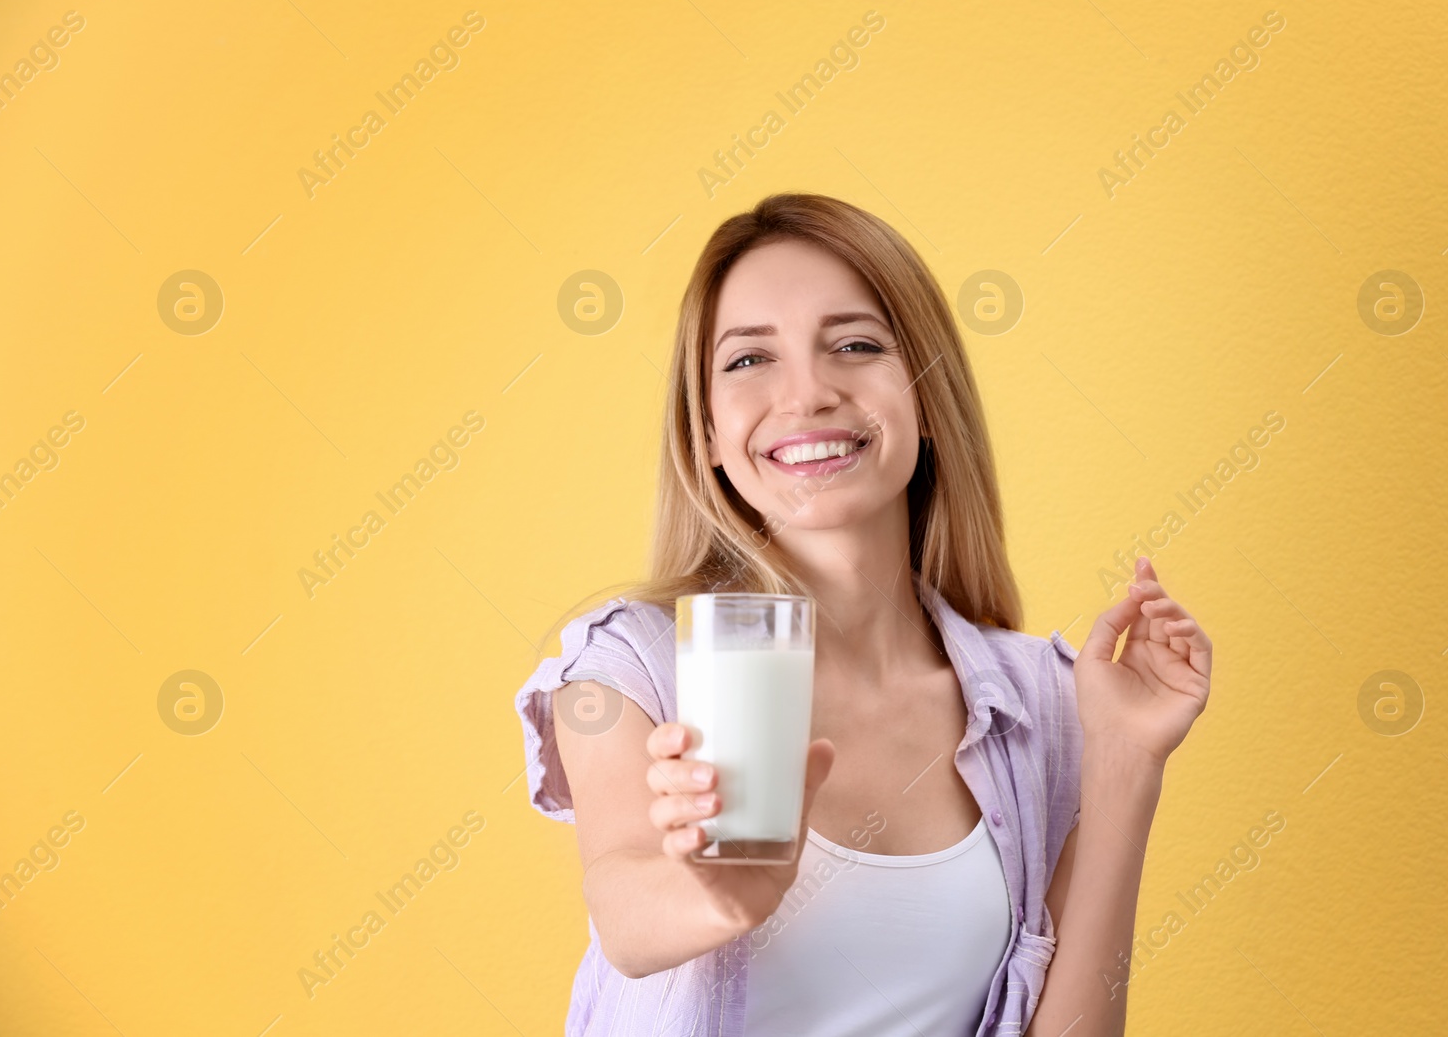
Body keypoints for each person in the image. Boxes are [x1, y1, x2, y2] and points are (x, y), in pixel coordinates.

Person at [514, 191, 1212, 1036]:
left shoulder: (1044, 701)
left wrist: (1125, 762)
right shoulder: (635, 665)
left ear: (927, 395)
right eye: (747, 361)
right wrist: (715, 891)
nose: (806, 394)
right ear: (704, 431)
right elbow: (622, 906)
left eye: (855, 345)